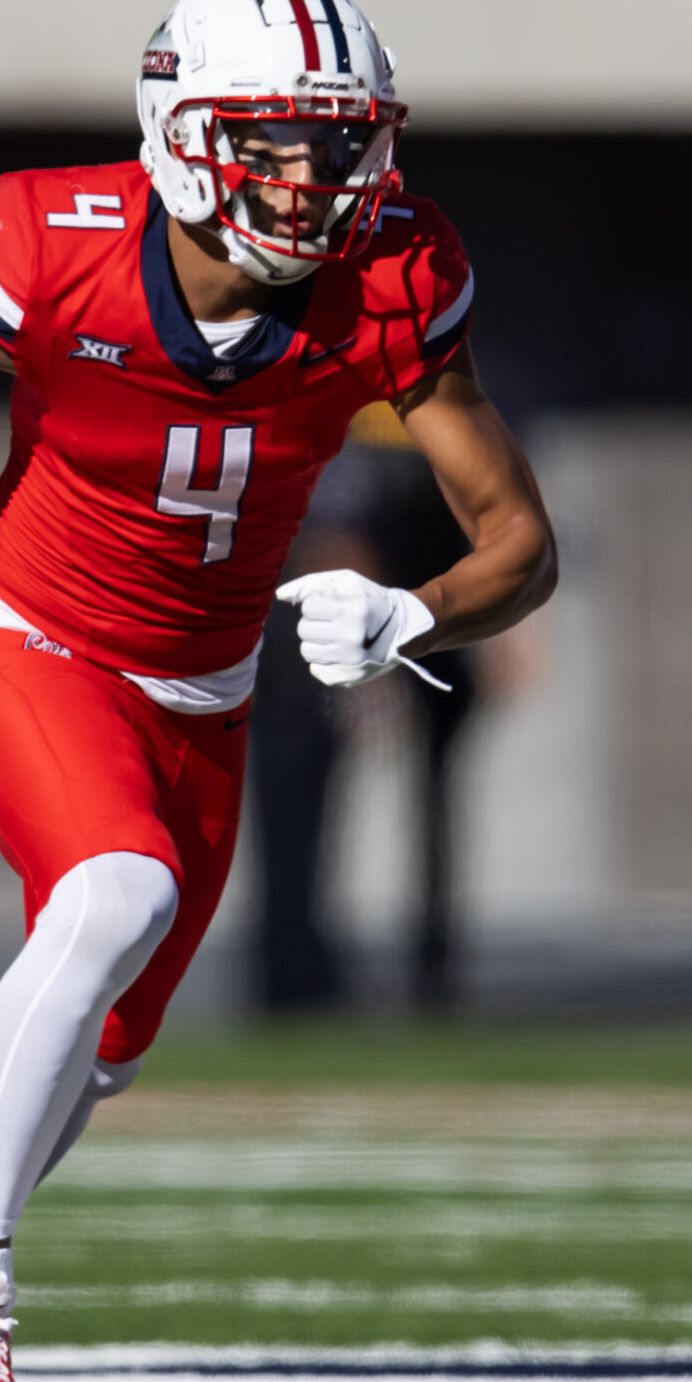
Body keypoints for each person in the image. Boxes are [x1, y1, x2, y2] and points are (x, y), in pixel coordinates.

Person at [0, 0, 555, 1382]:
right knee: (116, 891)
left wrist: (416, 609)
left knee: (106, 1040)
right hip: (23, 637)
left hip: (206, 694)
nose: (309, 181)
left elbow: (520, 544)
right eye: (271, 141)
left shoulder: (397, 278)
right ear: (179, 131)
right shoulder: (54, 246)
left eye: (336, 142)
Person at [252, 405, 480, 1012]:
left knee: (292, 823)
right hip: (306, 655)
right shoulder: (340, 431)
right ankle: (296, 979)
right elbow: (340, 540)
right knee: (292, 816)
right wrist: (374, 674)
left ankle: (300, 976)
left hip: (301, 648)